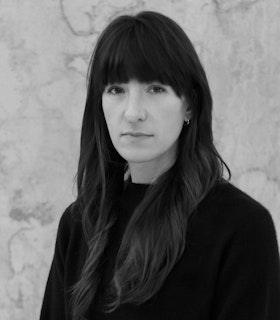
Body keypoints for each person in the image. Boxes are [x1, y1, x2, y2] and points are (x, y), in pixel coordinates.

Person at [40, 11, 280, 320]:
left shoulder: (241, 226)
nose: (133, 112)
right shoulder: (80, 222)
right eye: (116, 90)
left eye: (155, 89)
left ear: (189, 104)